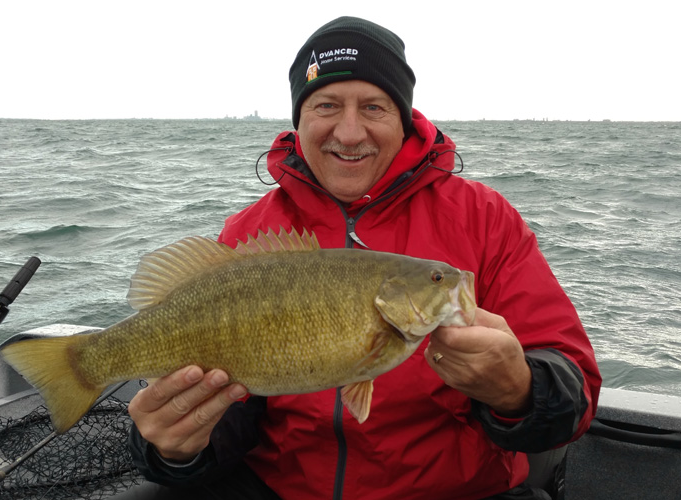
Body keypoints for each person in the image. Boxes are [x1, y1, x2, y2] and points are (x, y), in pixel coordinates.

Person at [121, 16, 601, 500]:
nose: (349, 133)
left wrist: (518, 390)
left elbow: (575, 388)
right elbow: (233, 418)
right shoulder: (249, 234)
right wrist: (178, 448)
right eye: (326, 105)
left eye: (374, 107)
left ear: (404, 117)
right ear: (299, 119)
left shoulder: (484, 218)